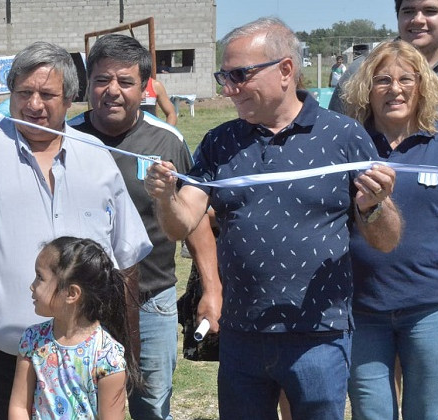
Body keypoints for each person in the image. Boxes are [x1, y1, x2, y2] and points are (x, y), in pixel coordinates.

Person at [144, 17, 402, 419]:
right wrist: (165, 198)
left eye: (239, 75)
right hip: (242, 334)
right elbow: (182, 222)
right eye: (223, 76)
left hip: (319, 334)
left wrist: (375, 207)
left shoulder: (343, 136)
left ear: (285, 71)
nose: (228, 88)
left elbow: (385, 240)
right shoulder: (220, 141)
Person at [0, 41, 152, 419]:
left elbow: (125, 261)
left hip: (78, 366)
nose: (34, 104)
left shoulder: (96, 157)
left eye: (47, 94)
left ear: (70, 98)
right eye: (24, 93)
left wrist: (125, 348)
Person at [68, 33, 219, 420]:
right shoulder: (66, 138)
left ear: (145, 87)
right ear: (89, 84)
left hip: (152, 300)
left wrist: (212, 290)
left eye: (125, 81)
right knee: (81, 406)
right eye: (102, 80)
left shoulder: (167, 142)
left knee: (151, 405)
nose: (112, 91)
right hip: (80, 304)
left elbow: (196, 218)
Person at [341, 40, 438, 420]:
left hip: (432, 308)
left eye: (406, 79)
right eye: (382, 80)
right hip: (363, 308)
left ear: (423, 86)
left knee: (430, 412)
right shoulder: (348, 147)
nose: (395, 89)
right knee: (371, 413)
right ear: (366, 88)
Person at [8, 236, 140, 419]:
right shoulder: (32, 340)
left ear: (71, 293)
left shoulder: (107, 358)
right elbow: (19, 407)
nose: (32, 286)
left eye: (40, 277)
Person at [330, 0, 438, 120]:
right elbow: (334, 134)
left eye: (430, 11)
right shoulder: (360, 71)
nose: (418, 20)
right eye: (408, 11)